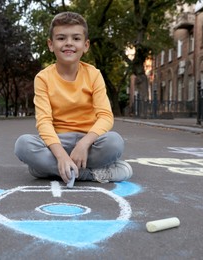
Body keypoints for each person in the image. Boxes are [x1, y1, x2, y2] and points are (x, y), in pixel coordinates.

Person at [14, 11, 133, 184]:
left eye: (76, 39)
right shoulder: (43, 78)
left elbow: (105, 116)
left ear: (85, 45)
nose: (69, 43)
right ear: (51, 44)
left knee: (114, 142)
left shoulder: (94, 74)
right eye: (61, 38)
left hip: (89, 142)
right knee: (23, 145)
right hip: (57, 142)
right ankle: (92, 173)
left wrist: (84, 144)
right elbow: (44, 122)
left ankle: (48, 170)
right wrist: (61, 155)